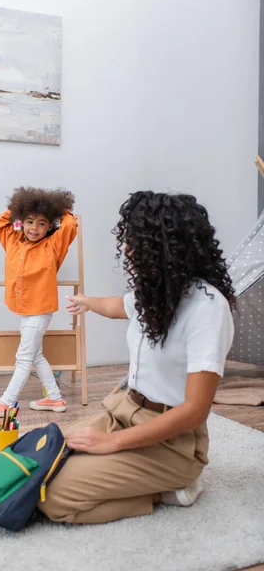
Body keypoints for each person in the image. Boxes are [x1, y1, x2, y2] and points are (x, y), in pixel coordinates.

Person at [38, 191, 235, 524]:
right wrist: (87, 301)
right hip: (124, 410)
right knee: (41, 462)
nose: (128, 251)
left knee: (53, 498)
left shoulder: (208, 308)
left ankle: (172, 490)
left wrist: (113, 443)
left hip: (173, 443)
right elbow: (119, 307)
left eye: (136, 243)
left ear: (167, 248)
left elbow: (195, 410)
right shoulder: (158, 294)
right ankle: (134, 472)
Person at [0, 187, 77, 419]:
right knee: (36, 355)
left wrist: (60, 208)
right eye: (29, 221)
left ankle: (6, 403)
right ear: (21, 222)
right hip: (26, 309)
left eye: (42, 223)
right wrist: (19, 207)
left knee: (23, 358)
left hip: (40, 310)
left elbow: (70, 225)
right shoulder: (13, 241)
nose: (34, 228)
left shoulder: (53, 246)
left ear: (50, 226)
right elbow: (3, 221)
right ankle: (54, 397)